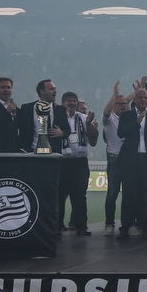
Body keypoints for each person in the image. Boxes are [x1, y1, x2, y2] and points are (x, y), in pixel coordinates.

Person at [116, 80, 147, 240]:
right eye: (141, 98)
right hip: (131, 161)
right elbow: (120, 133)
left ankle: (146, 228)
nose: (144, 100)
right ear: (135, 100)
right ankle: (125, 228)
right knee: (129, 196)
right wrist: (136, 124)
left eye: (146, 98)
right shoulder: (127, 115)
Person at [58, 91, 98, 237]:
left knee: (80, 195)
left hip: (80, 162)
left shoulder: (82, 117)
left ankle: (81, 226)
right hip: (62, 162)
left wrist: (89, 124)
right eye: (69, 101)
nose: (72, 103)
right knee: (60, 195)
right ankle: (57, 226)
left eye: (74, 101)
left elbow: (94, 139)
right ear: (63, 102)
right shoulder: (58, 117)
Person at [101, 81, 130, 236]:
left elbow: (129, 100)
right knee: (112, 194)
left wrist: (139, 89)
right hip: (114, 159)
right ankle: (109, 223)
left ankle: (128, 224)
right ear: (114, 105)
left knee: (128, 194)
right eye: (120, 104)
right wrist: (114, 94)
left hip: (128, 160)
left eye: (125, 104)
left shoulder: (129, 118)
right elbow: (105, 112)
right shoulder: (109, 119)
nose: (124, 106)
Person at [17, 79, 70, 154]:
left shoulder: (60, 110)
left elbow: (67, 130)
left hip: (52, 154)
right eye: (51, 89)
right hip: (31, 153)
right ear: (42, 91)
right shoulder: (27, 108)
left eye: (55, 89)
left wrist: (62, 133)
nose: (55, 91)